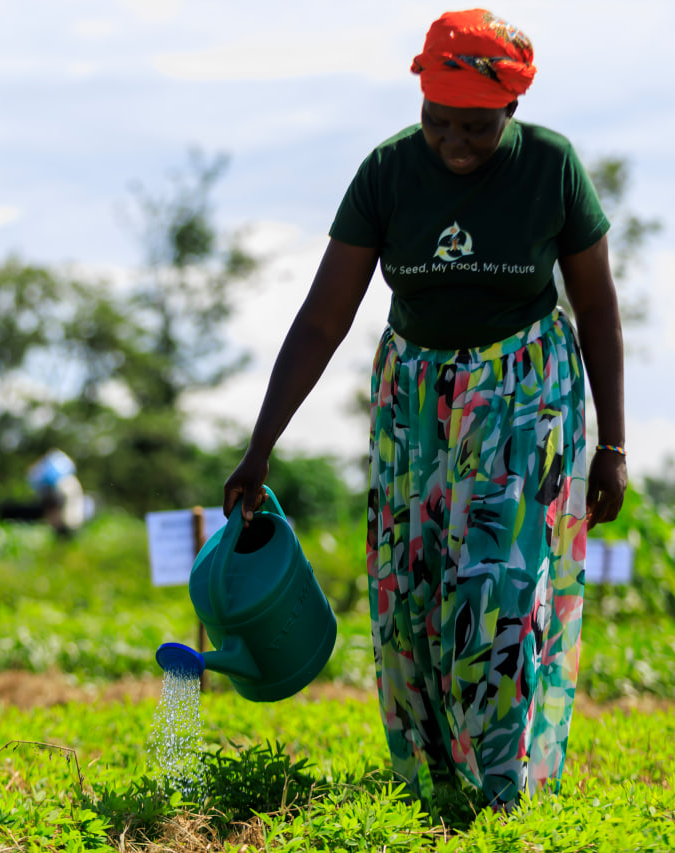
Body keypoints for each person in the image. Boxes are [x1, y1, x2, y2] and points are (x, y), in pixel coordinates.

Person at [222, 9, 626, 812]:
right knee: (414, 585)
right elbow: (323, 315)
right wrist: (260, 444)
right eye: (437, 121)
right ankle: (435, 781)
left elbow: (599, 308)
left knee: (497, 583)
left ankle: (503, 789)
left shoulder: (551, 167)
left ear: (511, 108)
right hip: (416, 394)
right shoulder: (389, 172)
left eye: (474, 125)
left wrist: (612, 444)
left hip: (522, 386)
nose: (453, 143)